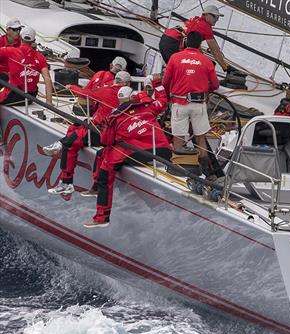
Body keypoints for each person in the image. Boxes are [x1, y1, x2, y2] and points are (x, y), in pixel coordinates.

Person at [85, 86, 172, 228]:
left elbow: (105, 141)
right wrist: (158, 84)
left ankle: (102, 217)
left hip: (138, 152)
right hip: (163, 151)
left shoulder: (115, 117)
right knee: (103, 154)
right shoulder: (148, 106)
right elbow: (162, 100)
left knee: (105, 172)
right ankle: (95, 188)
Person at [44, 71, 132, 196]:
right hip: (119, 136)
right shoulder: (134, 99)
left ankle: (66, 182)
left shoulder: (108, 91)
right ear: (128, 84)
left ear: (115, 81)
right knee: (77, 128)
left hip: (102, 133)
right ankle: (59, 144)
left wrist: (72, 87)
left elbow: (85, 94)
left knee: (70, 143)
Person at [162, 31, 223, 179]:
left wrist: (170, 96)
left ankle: (179, 170)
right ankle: (207, 173)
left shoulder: (175, 58)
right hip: (198, 105)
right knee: (200, 138)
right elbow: (215, 84)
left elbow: (165, 81)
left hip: (179, 103)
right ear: (200, 44)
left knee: (179, 137)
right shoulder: (206, 61)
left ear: (185, 42)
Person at [158, 5, 229, 71]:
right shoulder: (205, 26)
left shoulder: (196, 20)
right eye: (216, 17)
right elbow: (215, 50)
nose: (217, 20)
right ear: (207, 15)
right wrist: (225, 67)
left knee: (174, 71)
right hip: (173, 43)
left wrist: (203, 60)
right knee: (178, 73)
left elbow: (196, 46)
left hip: (166, 38)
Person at [0, 26, 53, 106]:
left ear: (20, 38)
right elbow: (48, 80)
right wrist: (49, 102)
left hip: (14, 94)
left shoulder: (10, 51)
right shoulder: (40, 57)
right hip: (31, 97)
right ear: (33, 41)